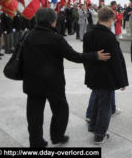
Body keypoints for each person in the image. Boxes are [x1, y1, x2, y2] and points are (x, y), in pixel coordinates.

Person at [22, 8, 111, 147]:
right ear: (52, 21)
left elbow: (21, 60)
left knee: (34, 114)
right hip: (53, 83)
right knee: (61, 111)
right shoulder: (55, 38)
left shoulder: (28, 36)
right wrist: (94, 55)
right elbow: (74, 56)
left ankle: (35, 141)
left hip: (32, 82)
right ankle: (57, 136)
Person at [83, 7, 128, 144]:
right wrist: (122, 81)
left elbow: (85, 57)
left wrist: (89, 71)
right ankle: (100, 134)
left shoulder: (88, 34)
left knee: (97, 101)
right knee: (105, 106)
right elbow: (116, 62)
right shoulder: (109, 37)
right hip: (106, 77)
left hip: (93, 75)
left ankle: (93, 126)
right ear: (110, 20)